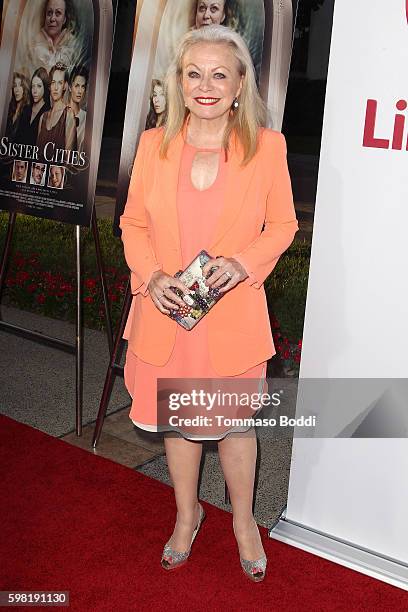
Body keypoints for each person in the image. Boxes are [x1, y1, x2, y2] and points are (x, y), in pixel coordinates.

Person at [120, 25, 298, 582]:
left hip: (231, 317)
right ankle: (186, 515)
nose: (206, 85)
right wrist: (151, 277)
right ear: (179, 81)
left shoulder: (267, 148)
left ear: (240, 83)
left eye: (220, 73)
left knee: (233, 428)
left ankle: (244, 523)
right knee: (180, 424)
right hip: (168, 314)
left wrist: (244, 263)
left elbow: (284, 225)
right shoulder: (154, 144)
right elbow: (132, 224)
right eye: (194, 73)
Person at [37, 62, 77, 156]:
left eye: (59, 83)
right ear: (49, 86)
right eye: (53, 82)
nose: (55, 88)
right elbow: (37, 154)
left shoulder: (69, 115)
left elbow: (68, 158)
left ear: (65, 86)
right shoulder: (43, 117)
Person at [30, 0, 78, 73]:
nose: (52, 19)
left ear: (65, 19)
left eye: (58, 13)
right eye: (49, 13)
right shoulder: (35, 43)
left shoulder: (72, 44)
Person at [18, 68, 51, 146]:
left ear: (45, 87)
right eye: (33, 86)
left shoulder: (48, 111)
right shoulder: (26, 109)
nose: (35, 91)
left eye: (39, 86)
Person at [68, 66, 88, 152]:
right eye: (76, 86)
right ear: (69, 87)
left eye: (83, 87)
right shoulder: (61, 114)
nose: (80, 91)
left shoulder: (87, 118)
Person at [6, 73, 30, 141]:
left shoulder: (27, 111)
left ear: (24, 88)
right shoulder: (10, 108)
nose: (16, 90)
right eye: (15, 85)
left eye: (20, 85)